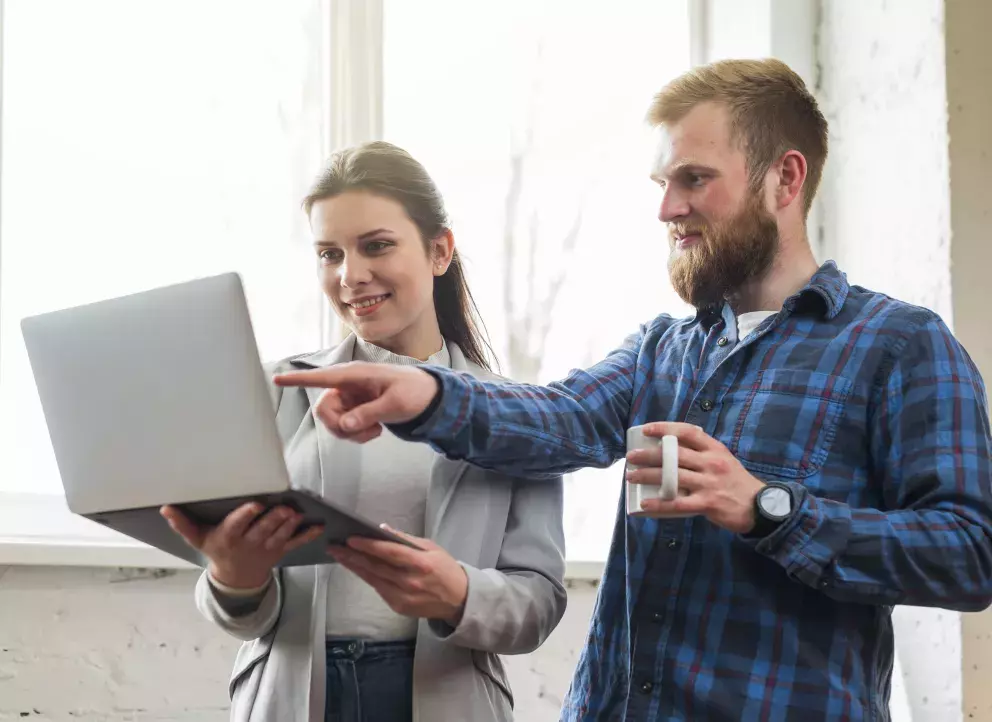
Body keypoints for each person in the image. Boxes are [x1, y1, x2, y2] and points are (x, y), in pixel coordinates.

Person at [274, 59, 992, 721]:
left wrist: (766, 507)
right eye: (662, 185)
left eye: (694, 179)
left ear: (785, 178)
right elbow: (558, 420)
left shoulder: (899, 345)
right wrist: (427, 395)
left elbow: (971, 553)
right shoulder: (661, 350)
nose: (668, 209)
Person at [160, 141, 567, 722]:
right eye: (330, 254)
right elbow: (236, 610)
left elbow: (539, 602)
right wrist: (234, 578)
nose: (350, 275)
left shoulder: (513, 412)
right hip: (295, 697)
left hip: (443, 696)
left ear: (439, 251)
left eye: (376, 246)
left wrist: (458, 593)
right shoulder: (271, 392)